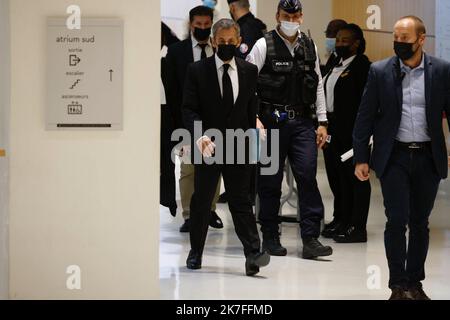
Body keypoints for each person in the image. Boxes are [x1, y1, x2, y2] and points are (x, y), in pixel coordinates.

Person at [353, 16, 450, 300]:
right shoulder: (379, 71)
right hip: (393, 155)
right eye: (396, 37)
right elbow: (365, 117)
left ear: (421, 39)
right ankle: (397, 285)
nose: (399, 43)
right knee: (396, 219)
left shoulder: (442, 71)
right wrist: (361, 158)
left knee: (420, 221)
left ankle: (414, 284)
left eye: (404, 39)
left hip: (428, 157)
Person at [182, 19, 270, 276]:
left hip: (239, 146)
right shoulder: (197, 71)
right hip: (208, 145)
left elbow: (250, 104)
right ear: (212, 42)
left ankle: (253, 254)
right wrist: (199, 136)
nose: (227, 46)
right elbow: (189, 108)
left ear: (240, 42)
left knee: (241, 201)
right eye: (222, 42)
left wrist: (255, 121)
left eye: (232, 42)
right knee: (202, 201)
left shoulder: (249, 71)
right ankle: (196, 251)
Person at [246, 0, 332, 259]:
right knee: (270, 182)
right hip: (271, 122)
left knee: (307, 177)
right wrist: (254, 118)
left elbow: (317, 85)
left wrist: (323, 121)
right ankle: (270, 236)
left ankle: (310, 238)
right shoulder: (264, 45)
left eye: (295, 16)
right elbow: (248, 83)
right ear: (277, 16)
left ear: (301, 17)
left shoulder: (309, 45)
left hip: (303, 124)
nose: (291, 20)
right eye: (286, 15)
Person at [166, 6, 223, 232]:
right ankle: (190, 214)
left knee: (214, 165)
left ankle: (209, 210)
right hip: (186, 121)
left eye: (206, 24)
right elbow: (172, 92)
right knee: (189, 169)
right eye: (198, 24)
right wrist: (178, 124)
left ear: (211, 23)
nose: (202, 28)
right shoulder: (177, 52)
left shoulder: (218, 49)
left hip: (215, 121)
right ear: (190, 24)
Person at [321, 23, 371, 242]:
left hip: (353, 132)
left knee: (356, 178)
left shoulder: (362, 66)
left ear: (356, 44)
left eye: (343, 40)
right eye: (337, 39)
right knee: (337, 176)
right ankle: (340, 218)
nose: (338, 43)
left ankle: (357, 225)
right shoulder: (335, 62)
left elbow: (366, 103)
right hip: (332, 129)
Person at [218, 0, 267, 204]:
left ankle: (245, 192)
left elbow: (243, 67)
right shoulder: (259, 26)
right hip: (256, 98)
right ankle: (243, 191)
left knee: (245, 152)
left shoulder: (246, 30)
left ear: (231, 8)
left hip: (245, 98)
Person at [160, 23, 180, 217]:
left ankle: (167, 199)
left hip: (166, 115)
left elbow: (175, 42)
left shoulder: (167, 62)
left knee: (167, 160)